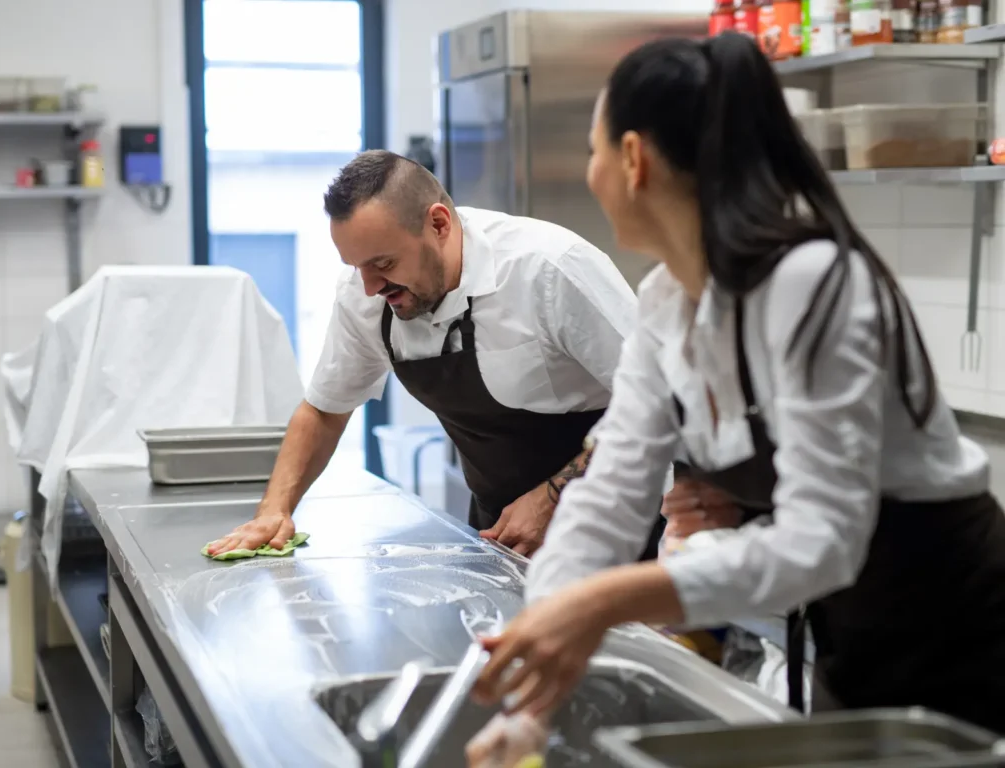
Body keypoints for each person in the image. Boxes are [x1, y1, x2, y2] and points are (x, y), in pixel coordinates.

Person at [472, 33, 1005, 733]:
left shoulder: (810, 283)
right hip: (848, 626)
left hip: (958, 626)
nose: (591, 172)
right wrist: (537, 661)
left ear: (633, 159)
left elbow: (821, 539)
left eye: (593, 151)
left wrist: (602, 601)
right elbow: (610, 493)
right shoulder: (667, 302)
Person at [209, 150, 665, 560]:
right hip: (501, 529)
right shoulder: (367, 296)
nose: (369, 287)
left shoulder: (549, 269)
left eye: (384, 264)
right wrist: (274, 511)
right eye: (358, 268)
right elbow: (325, 411)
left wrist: (551, 498)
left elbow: (661, 403)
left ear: (440, 224)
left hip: (618, 520)